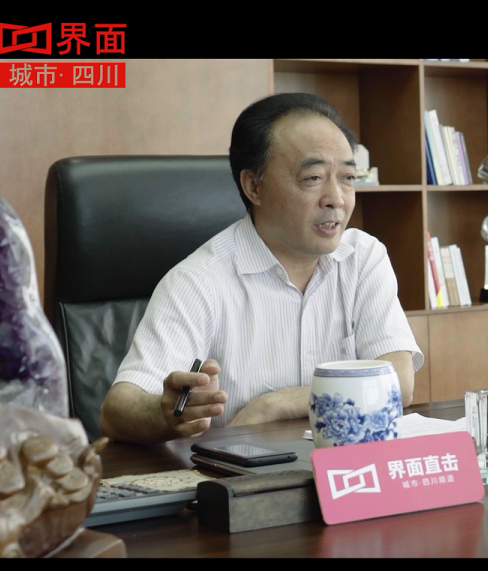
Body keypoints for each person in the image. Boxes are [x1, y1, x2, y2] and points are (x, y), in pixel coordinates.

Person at [99, 93, 423, 444]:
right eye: (313, 177)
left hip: (343, 471)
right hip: (240, 474)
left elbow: (398, 382)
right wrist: (167, 413)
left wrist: (273, 405)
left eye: (347, 177)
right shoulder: (198, 281)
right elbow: (116, 412)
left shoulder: (362, 258)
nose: (337, 199)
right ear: (254, 187)